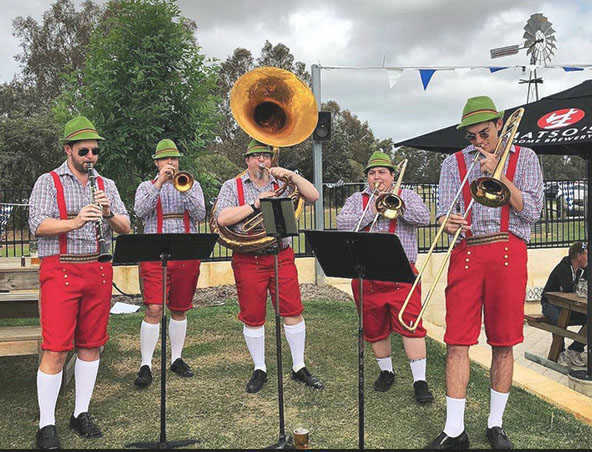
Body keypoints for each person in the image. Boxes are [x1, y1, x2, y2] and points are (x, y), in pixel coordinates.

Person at [426, 96, 543, 449]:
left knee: (503, 342)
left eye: (485, 134)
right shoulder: (452, 164)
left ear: (499, 126)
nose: (479, 142)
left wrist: (500, 175)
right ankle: (454, 430)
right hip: (467, 249)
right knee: (456, 341)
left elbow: (533, 212)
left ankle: (495, 424)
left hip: (508, 249)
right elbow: (443, 212)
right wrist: (448, 223)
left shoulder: (526, 157)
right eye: (472, 137)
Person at [28, 116, 130, 449]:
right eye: (83, 150)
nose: (90, 157)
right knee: (56, 348)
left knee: (91, 344)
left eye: (95, 151)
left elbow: (126, 228)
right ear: (68, 149)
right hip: (60, 270)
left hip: (98, 270)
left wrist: (108, 214)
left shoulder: (106, 185)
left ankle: (80, 412)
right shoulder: (48, 181)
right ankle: (46, 423)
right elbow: (37, 224)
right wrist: (74, 222)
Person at [214, 138, 324, 393]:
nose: (261, 161)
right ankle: (259, 367)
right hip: (248, 258)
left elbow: (314, 195)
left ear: (271, 160)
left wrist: (291, 175)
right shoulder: (232, 186)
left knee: (293, 310)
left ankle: (299, 366)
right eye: (255, 157)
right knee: (253, 316)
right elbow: (222, 218)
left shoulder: (283, 184)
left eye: (265, 156)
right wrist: (256, 204)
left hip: (280, 255)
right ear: (247, 160)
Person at [336, 150, 434, 404]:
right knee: (374, 325)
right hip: (366, 273)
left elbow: (424, 218)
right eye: (371, 173)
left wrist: (395, 206)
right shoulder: (357, 199)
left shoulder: (407, 195)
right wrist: (374, 209)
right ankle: (386, 371)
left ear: (392, 176)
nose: (376, 177)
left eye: (381, 172)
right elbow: (343, 225)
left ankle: (420, 381)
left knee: (411, 326)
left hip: (401, 271)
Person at [132, 139, 206, 387]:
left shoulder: (192, 185)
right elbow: (140, 212)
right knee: (154, 308)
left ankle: (177, 358)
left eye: (174, 159)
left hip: (185, 252)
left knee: (180, 308)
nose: (171, 163)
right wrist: (160, 183)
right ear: (157, 162)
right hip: (155, 253)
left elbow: (200, 215)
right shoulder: (146, 186)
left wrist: (183, 191)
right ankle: (145, 364)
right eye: (166, 159)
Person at [541, 241, 588, 368]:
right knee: (559, 320)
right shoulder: (563, 267)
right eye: (586, 255)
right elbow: (568, 287)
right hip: (550, 304)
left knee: (588, 318)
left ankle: (575, 349)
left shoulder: (580, 270)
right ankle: (559, 352)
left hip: (567, 305)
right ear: (579, 256)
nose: (588, 258)